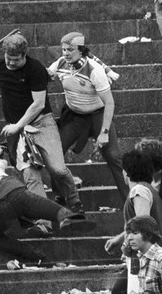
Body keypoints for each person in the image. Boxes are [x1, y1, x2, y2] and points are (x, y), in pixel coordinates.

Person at [0, 32, 83, 226]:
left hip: (41, 122)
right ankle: (45, 223)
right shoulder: (1, 66)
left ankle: (74, 201)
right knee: (30, 174)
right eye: (7, 58)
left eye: (15, 60)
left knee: (58, 170)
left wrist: (18, 125)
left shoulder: (35, 69)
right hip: (17, 131)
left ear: (24, 55)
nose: (10, 63)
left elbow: (37, 104)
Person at [48, 31, 127, 202]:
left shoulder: (94, 70)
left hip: (97, 114)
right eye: (63, 50)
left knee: (114, 157)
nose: (66, 53)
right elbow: (44, 76)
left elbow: (110, 103)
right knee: (54, 153)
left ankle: (131, 202)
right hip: (74, 116)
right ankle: (61, 196)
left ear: (81, 50)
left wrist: (104, 132)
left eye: (70, 50)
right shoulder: (60, 63)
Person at [105, 149, 162, 294]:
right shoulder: (149, 190)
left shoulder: (139, 191)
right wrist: (119, 239)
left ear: (126, 172)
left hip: (146, 258)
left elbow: (142, 224)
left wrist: (126, 245)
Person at [125, 215, 162, 294]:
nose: (129, 237)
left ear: (148, 234)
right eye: (128, 233)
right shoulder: (143, 256)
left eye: (135, 233)